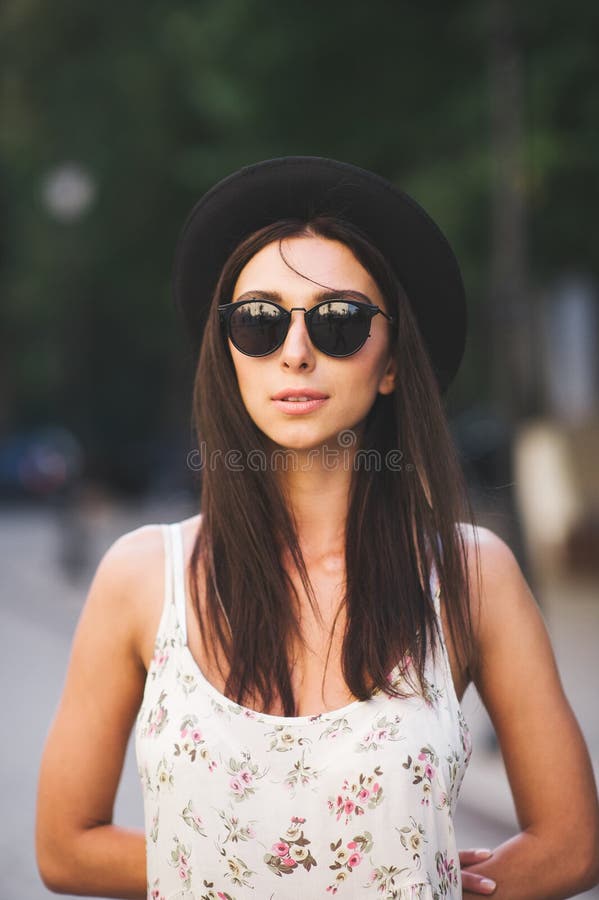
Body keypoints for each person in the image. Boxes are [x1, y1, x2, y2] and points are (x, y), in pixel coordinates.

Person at [36, 157, 599, 899]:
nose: (294, 350)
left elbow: (570, 845)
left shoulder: (469, 574)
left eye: (338, 322)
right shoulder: (143, 576)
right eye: (259, 322)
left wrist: (423, 879)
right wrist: (271, 871)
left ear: (391, 362)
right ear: (229, 354)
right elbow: (64, 846)